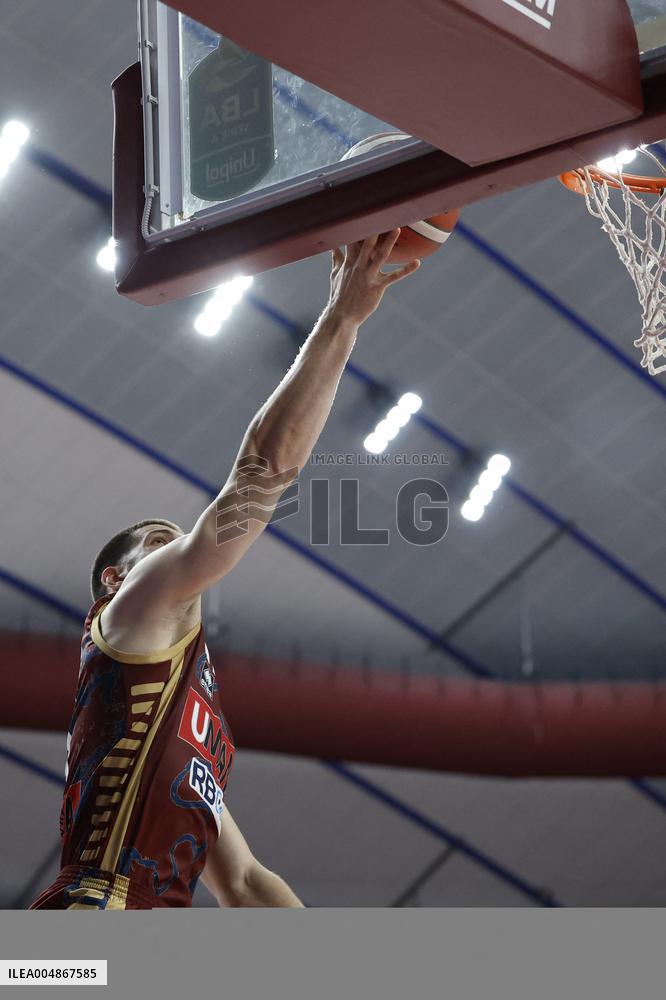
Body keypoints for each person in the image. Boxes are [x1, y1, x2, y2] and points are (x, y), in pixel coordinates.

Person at [29, 232, 420, 909]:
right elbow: (261, 472)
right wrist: (341, 320)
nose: (177, 547)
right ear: (116, 582)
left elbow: (244, 882)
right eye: (158, 544)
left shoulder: (194, 721)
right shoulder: (129, 618)